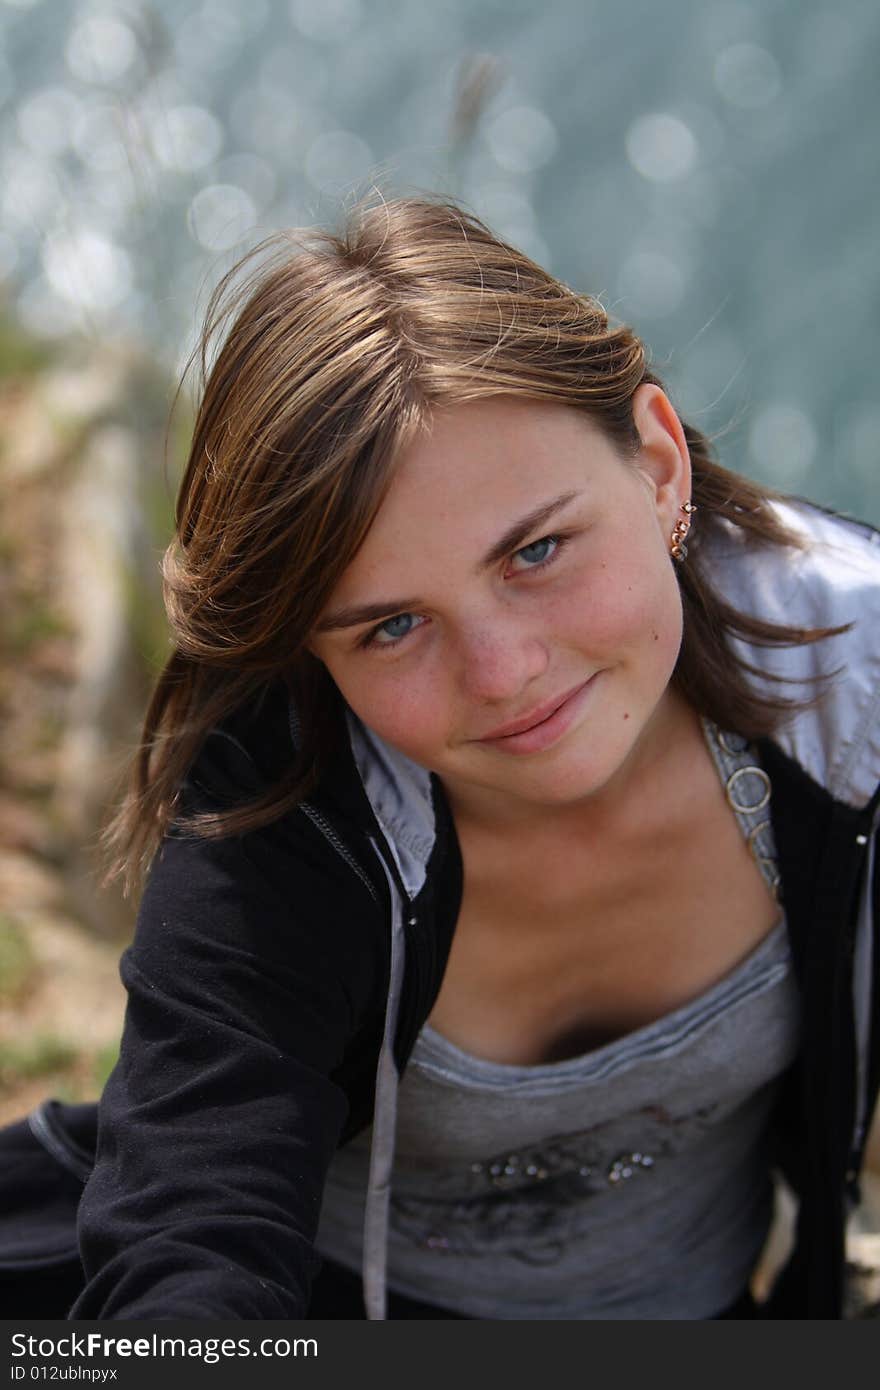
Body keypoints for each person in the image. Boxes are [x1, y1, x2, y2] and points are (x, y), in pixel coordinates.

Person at [1, 194, 878, 1321]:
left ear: (658, 464)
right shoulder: (283, 804)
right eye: (391, 625)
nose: (505, 671)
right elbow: (187, 1223)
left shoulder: (850, 690)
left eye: (538, 549)